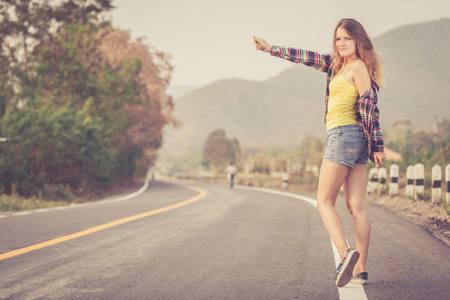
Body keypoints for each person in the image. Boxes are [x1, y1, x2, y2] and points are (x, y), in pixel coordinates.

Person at [253, 18, 386, 287]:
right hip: (356, 139)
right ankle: (360, 270)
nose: (342, 43)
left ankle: (346, 254)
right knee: (355, 206)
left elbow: (370, 107)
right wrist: (271, 49)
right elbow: (306, 57)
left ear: (359, 40)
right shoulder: (338, 65)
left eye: (347, 38)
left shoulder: (357, 67)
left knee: (324, 201)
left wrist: (379, 145)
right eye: (338, 39)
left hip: (343, 135)